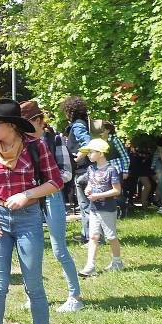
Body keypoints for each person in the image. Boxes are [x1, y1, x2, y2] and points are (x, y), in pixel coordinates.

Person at [0, 99, 63, 324]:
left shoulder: (36, 147)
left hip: (28, 219)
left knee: (33, 284)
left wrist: (27, 195)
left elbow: (55, 182)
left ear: (12, 126)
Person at [20, 101, 83, 312]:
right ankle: (34, 296)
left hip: (51, 197)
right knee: (30, 251)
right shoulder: (22, 143)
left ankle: (74, 296)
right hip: (30, 201)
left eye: (27, 123)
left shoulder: (55, 140)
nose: (23, 128)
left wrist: (45, 183)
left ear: (39, 121)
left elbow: (66, 173)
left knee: (59, 249)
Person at [78, 139, 124, 276]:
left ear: (101, 153)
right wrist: (88, 188)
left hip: (107, 208)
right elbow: (91, 183)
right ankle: (90, 266)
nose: (88, 155)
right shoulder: (91, 168)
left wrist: (98, 196)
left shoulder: (111, 170)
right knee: (93, 236)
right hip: (94, 209)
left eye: (91, 152)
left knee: (111, 237)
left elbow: (117, 190)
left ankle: (117, 262)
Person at [60, 96, 92, 242]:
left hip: (83, 170)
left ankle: (92, 237)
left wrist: (78, 157)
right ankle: (87, 235)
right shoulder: (83, 123)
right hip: (84, 170)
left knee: (86, 205)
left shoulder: (78, 126)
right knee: (85, 205)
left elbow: (88, 143)